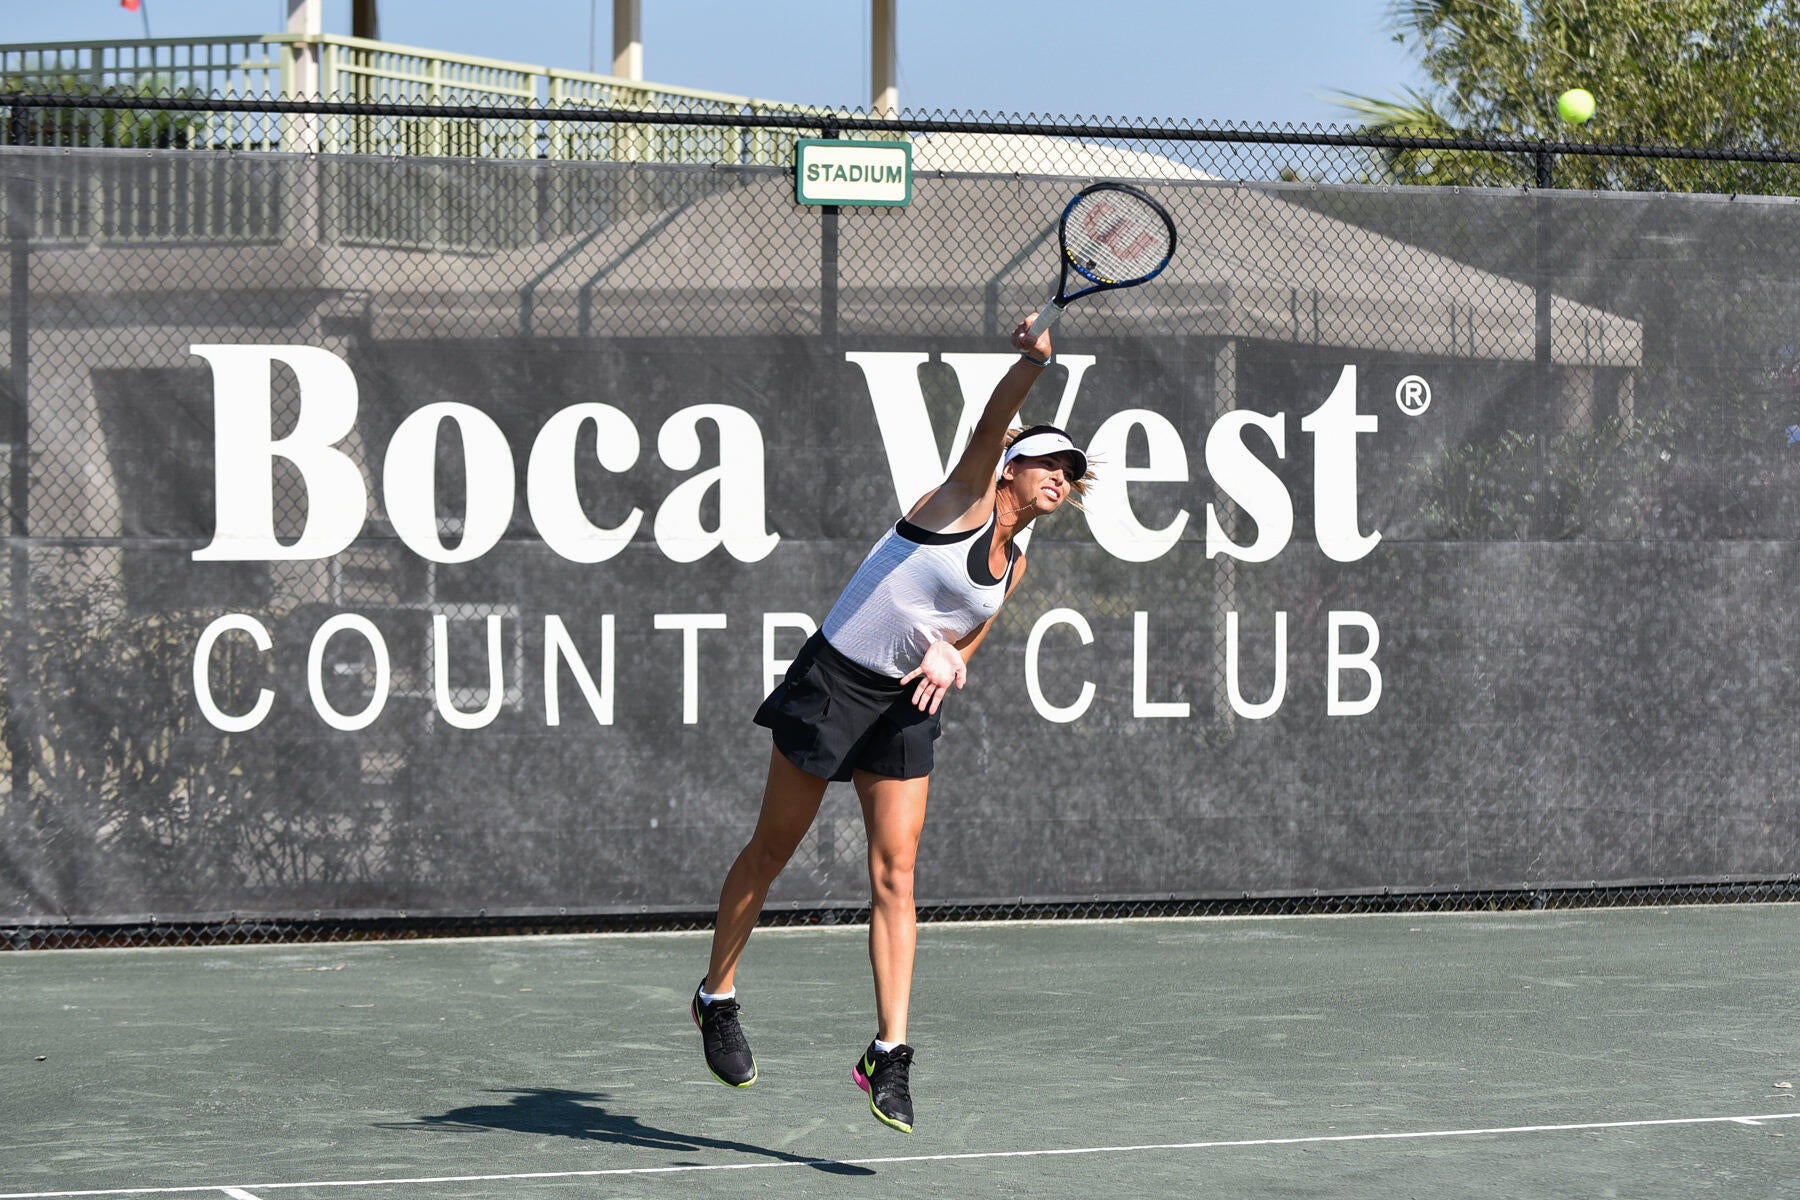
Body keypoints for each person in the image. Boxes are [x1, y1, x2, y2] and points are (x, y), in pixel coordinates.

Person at [690, 314, 1091, 1134]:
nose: (1061, 475)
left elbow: (969, 629)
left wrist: (954, 657)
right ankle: (715, 996)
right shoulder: (961, 501)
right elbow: (990, 422)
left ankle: (889, 1054)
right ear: (1010, 468)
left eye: (1070, 471)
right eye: (1048, 461)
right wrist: (1032, 365)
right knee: (773, 850)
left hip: (905, 704)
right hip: (835, 681)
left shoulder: (1016, 562)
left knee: (896, 874)